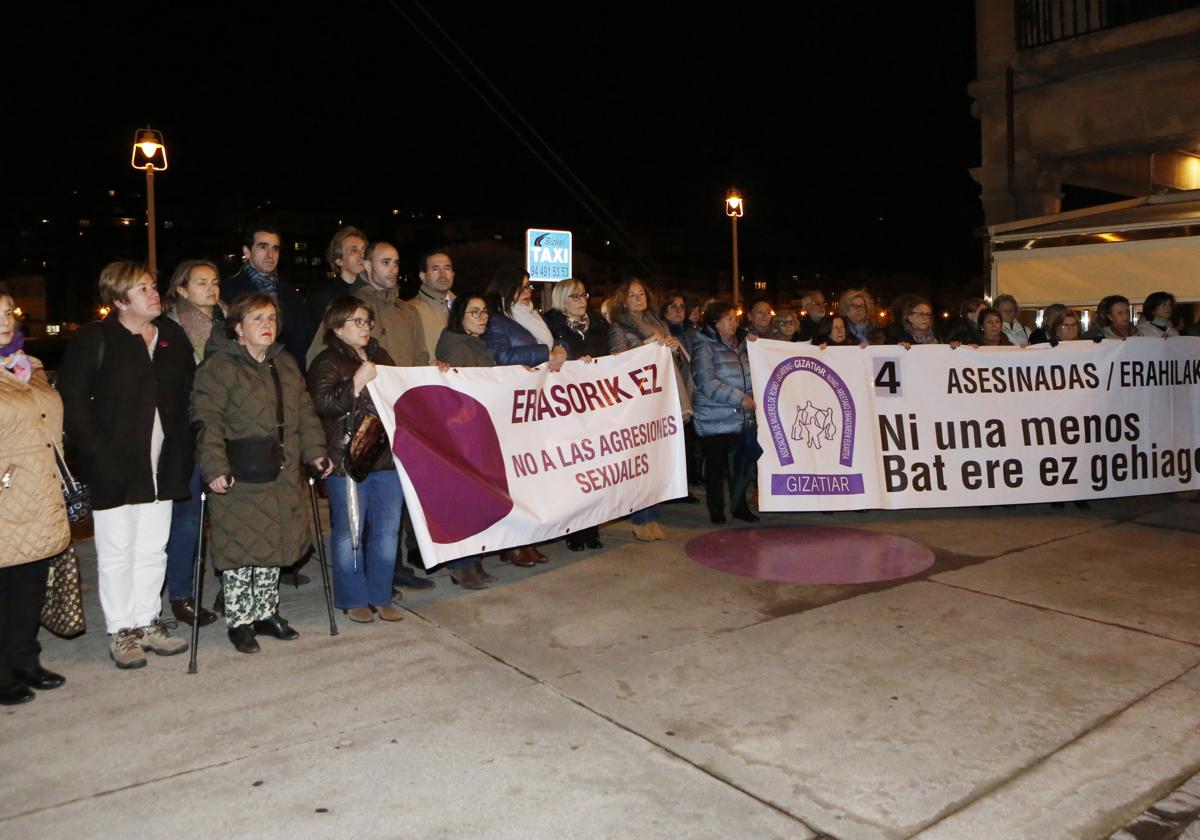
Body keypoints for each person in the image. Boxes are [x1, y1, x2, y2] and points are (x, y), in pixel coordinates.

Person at [56, 261, 195, 668]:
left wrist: (186, 446)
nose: (155, 295)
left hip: (163, 465)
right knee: (118, 551)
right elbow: (75, 406)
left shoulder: (171, 335)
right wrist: (100, 457)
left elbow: (189, 395)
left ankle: (148, 621)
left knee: (154, 548)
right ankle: (122, 630)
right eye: (143, 290)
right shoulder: (95, 340)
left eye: (154, 287)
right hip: (114, 467)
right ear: (119, 300)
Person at [190, 292, 331, 654]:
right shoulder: (219, 367)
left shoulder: (284, 363)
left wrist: (316, 452)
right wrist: (215, 467)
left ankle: (266, 613)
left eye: (270, 318)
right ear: (238, 328)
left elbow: (305, 411)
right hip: (242, 473)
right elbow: (207, 420)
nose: (267, 325)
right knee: (241, 550)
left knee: (273, 545)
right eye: (257, 319)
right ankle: (240, 622)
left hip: (282, 471)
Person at [307, 298, 405, 623]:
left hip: (385, 456)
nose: (364, 328)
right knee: (350, 530)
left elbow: (403, 393)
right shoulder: (326, 362)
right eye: (356, 322)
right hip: (348, 458)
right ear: (337, 327)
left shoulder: (382, 356)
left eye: (367, 321)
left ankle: (380, 593)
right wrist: (357, 382)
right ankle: (353, 597)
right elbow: (322, 405)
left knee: (388, 530)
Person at [0, 287, 71, 704]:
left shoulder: (29, 366)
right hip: (6, 492)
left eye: (9, 312)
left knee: (29, 582)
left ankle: (26, 659)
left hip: (38, 491)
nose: (5, 320)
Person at [351, 241, 433, 593]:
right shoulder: (353, 309)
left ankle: (392, 565)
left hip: (402, 413)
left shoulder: (406, 311)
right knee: (369, 500)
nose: (393, 268)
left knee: (397, 497)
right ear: (367, 265)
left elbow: (418, 357)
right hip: (367, 415)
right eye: (385, 262)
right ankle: (368, 571)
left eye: (397, 262)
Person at [162, 259, 225, 627]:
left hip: (227, 430)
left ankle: (229, 584)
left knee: (229, 515)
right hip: (188, 433)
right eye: (202, 282)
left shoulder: (230, 323)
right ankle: (181, 595)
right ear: (182, 289)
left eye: (215, 281)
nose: (211, 288)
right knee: (187, 520)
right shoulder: (171, 328)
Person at [607, 277, 691, 541]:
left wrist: (674, 349)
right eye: (632, 295)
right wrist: (647, 345)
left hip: (662, 395)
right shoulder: (619, 326)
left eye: (641, 293)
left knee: (658, 460)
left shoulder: (658, 322)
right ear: (623, 299)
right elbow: (617, 360)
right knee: (641, 462)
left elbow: (671, 361)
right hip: (639, 400)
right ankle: (640, 519)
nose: (638, 298)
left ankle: (654, 515)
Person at [434, 294, 506, 587]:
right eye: (474, 312)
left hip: (476, 430)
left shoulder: (474, 343)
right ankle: (461, 564)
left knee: (476, 498)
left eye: (485, 312)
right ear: (459, 317)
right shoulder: (458, 345)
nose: (482, 317)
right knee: (464, 500)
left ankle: (472, 561)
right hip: (463, 434)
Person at [544, 278, 609, 551]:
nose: (581, 300)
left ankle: (591, 528)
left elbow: (613, 353)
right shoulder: (552, 325)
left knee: (594, 469)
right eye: (574, 296)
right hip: (566, 408)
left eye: (583, 295)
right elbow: (552, 358)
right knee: (573, 470)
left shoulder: (599, 325)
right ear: (561, 299)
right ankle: (574, 530)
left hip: (595, 405)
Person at [691, 301, 759, 525]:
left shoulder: (741, 345)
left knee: (740, 467)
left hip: (740, 417)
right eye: (729, 318)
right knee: (715, 468)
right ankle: (716, 509)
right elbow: (706, 383)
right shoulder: (704, 347)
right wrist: (740, 398)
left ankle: (739, 507)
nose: (734, 322)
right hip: (714, 418)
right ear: (715, 322)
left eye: (735, 318)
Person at [222, 223, 313, 374]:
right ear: (247, 251)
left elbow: (302, 341)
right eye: (263, 247)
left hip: (287, 376)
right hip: (244, 375)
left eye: (275, 248)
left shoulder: (290, 293)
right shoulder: (228, 291)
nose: (270, 255)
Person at [484, 273, 568, 368]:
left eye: (528, 286)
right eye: (520, 288)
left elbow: (550, 338)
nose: (527, 291)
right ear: (505, 291)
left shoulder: (534, 315)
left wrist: (559, 346)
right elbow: (502, 357)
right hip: (519, 381)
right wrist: (544, 354)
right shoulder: (496, 321)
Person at [308, 225, 368, 329]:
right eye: (354, 250)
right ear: (338, 260)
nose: (362, 255)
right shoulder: (323, 300)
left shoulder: (373, 294)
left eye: (364, 250)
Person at [409, 250, 456, 361]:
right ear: (423, 276)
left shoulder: (464, 307)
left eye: (447, 268)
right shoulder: (410, 310)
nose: (443, 274)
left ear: (453, 274)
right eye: (435, 269)